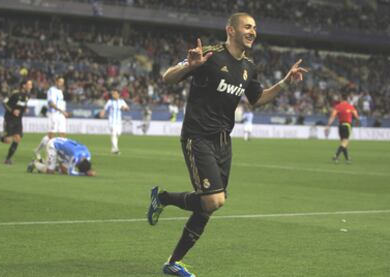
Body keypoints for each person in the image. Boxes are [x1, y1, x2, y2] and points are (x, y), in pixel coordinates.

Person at [146, 12, 308, 277]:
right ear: (230, 30)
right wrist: (190, 65)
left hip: (223, 142)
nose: (253, 31)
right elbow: (167, 77)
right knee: (213, 199)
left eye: (255, 27)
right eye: (247, 26)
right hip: (197, 137)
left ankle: (173, 262)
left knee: (213, 204)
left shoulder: (248, 66)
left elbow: (257, 98)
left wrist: (285, 82)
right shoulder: (209, 54)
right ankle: (162, 199)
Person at [0, 79, 33, 164]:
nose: (31, 86)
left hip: (18, 120)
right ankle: (0, 137)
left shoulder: (28, 95)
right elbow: (4, 103)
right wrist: (12, 111)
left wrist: (25, 109)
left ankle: (7, 159)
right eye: (29, 84)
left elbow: (23, 104)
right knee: (8, 140)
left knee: (17, 138)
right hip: (9, 119)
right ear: (24, 86)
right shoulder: (15, 93)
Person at [33, 76, 69, 159]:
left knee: (63, 136)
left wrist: (64, 112)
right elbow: (50, 103)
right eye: (60, 82)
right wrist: (61, 111)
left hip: (61, 115)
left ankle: (59, 156)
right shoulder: (52, 90)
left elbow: (60, 103)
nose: (61, 84)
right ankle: (37, 150)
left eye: (62, 82)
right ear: (56, 81)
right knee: (50, 136)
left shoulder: (60, 91)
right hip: (54, 114)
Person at [27, 137, 96, 176]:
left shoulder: (88, 156)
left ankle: (46, 162)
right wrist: (84, 174)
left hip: (65, 151)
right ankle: (35, 164)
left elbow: (86, 165)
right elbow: (71, 172)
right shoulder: (75, 157)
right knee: (50, 172)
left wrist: (89, 170)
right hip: (53, 145)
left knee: (64, 171)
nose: (76, 166)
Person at [325, 92, 359, 163]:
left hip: (340, 126)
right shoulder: (350, 107)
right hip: (347, 125)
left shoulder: (337, 107)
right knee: (345, 142)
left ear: (341, 99)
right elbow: (356, 117)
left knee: (343, 143)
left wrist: (328, 126)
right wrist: (356, 122)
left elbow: (332, 116)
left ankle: (347, 159)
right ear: (347, 99)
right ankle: (336, 155)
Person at [99, 88, 129, 154]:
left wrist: (125, 108)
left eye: (115, 94)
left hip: (118, 122)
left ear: (118, 94)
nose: (113, 95)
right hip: (111, 121)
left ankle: (113, 149)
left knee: (118, 134)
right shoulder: (110, 101)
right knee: (114, 133)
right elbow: (105, 108)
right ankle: (116, 149)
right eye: (113, 94)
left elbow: (127, 109)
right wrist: (102, 113)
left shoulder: (122, 101)